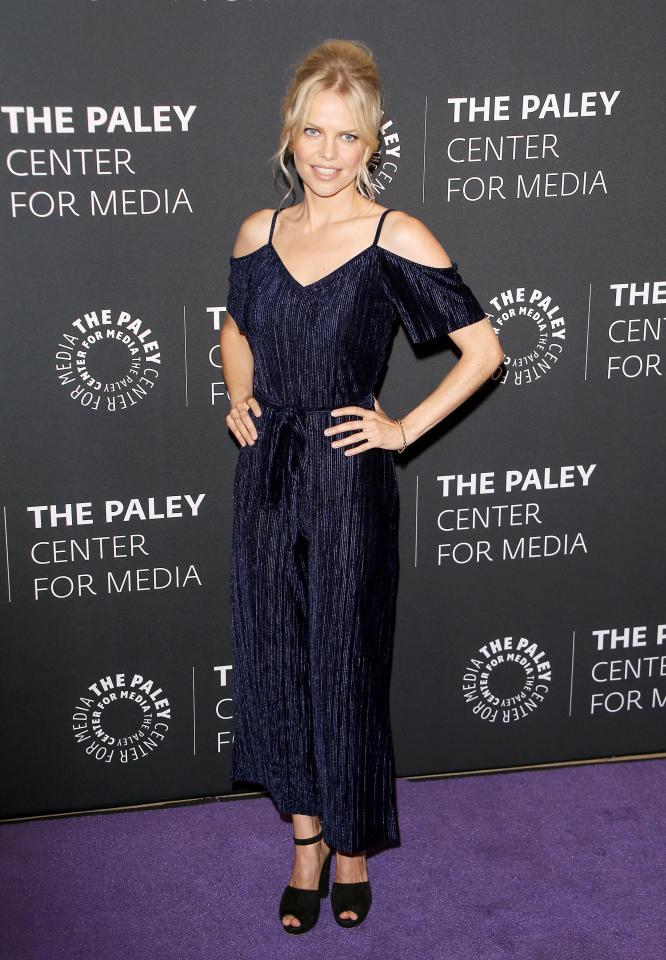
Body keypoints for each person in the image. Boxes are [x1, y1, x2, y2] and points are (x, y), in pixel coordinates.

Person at [220, 38, 505, 935]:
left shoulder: (394, 236)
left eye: (347, 136)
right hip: (266, 473)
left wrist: (403, 429)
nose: (328, 152)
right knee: (275, 659)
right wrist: (238, 394)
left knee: (343, 666)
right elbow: (236, 326)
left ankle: (349, 846)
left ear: (372, 141)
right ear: (290, 134)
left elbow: (485, 351)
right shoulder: (258, 234)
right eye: (314, 131)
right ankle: (304, 839)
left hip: (349, 478)